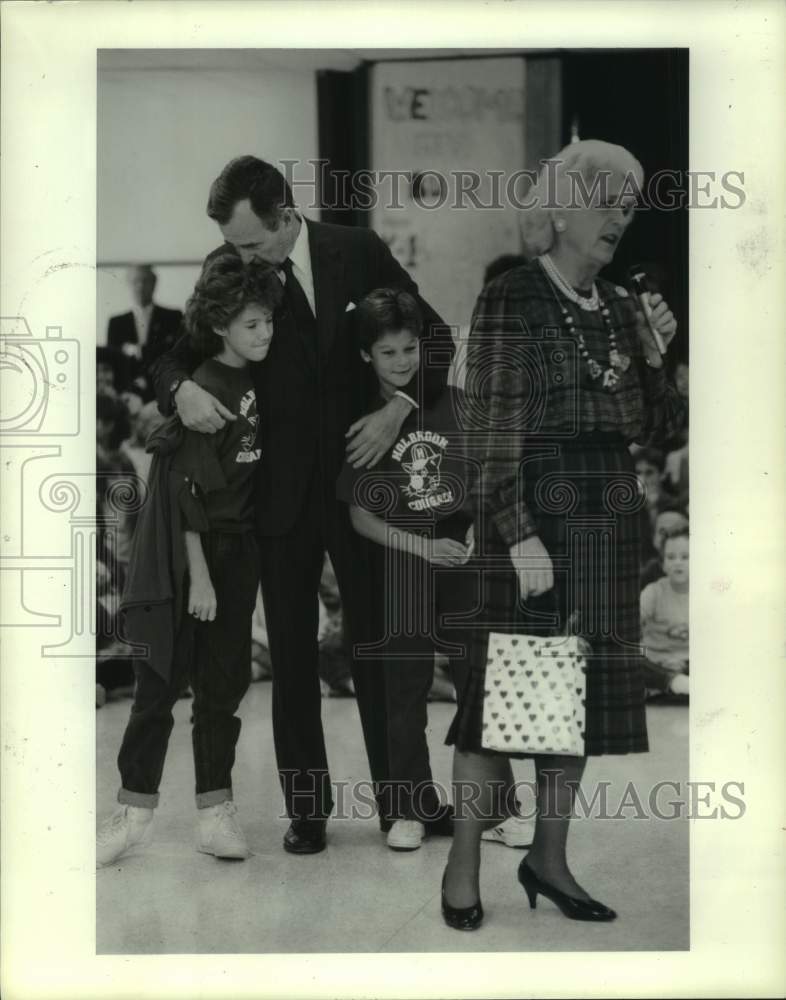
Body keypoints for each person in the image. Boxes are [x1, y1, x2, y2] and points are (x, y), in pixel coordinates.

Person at [150, 156, 452, 854]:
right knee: (291, 659)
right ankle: (308, 812)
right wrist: (181, 391)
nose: (241, 257)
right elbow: (171, 357)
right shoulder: (228, 266)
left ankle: (403, 804)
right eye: (232, 245)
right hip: (274, 499)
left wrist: (399, 409)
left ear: (287, 217)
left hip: (361, 485)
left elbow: (433, 337)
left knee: (375, 647)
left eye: (253, 243)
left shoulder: (359, 249)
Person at [442, 139, 685, 930]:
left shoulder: (619, 305)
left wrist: (660, 355)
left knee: (572, 703)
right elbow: (489, 428)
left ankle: (548, 858)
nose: (621, 218)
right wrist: (517, 533)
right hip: (534, 509)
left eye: (629, 206)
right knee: (499, 701)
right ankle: (463, 865)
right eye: (607, 201)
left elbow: (658, 425)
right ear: (560, 209)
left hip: (606, 514)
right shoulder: (513, 294)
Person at [96, 255, 282, 868]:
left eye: (269, 322)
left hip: (239, 552)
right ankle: (132, 814)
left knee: (222, 690)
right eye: (252, 325)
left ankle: (215, 812)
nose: (265, 333)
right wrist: (200, 577)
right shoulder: (203, 387)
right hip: (192, 554)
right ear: (221, 325)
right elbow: (184, 491)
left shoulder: (261, 379)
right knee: (159, 686)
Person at [336, 289, 530, 852]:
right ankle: (409, 810)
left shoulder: (458, 402)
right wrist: (422, 549)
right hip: (406, 562)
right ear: (366, 356)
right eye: (387, 352)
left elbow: (496, 476)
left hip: (464, 558)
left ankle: (499, 808)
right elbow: (359, 515)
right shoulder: (367, 424)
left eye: (409, 348)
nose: (401, 361)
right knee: (405, 688)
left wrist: (476, 532)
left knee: (478, 682)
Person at [640, 525, 690, 701]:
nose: (678, 562)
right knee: (628, 657)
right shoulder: (653, 592)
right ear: (662, 564)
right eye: (671, 557)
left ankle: (676, 684)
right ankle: (673, 682)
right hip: (657, 662)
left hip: (690, 662)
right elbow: (631, 626)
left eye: (685, 557)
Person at [107, 265, 184, 372]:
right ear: (129, 284)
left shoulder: (173, 317)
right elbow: (112, 359)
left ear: (154, 283)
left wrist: (139, 351)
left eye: (145, 281)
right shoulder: (116, 323)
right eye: (135, 281)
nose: (140, 286)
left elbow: (176, 352)